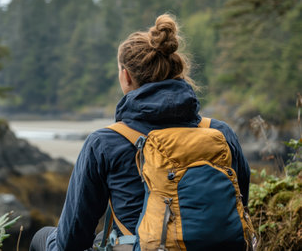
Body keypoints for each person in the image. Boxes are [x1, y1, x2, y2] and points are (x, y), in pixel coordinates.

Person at [29, 14, 251, 251]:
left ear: (125, 76)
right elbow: (240, 203)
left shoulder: (105, 142)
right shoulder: (220, 132)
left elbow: (71, 240)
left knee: (43, 237)